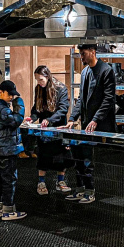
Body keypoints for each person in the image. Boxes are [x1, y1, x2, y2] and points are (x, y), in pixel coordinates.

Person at [62, 43, 117, 204]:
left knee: (88, 159)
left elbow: (109, 99)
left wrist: (95, 119)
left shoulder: (106, 71)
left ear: (93, 52)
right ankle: (80, 189)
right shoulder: (85, 72)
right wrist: (72, 119)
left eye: (83, 53)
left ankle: (90, 191)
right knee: (79, 156)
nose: (81, 56)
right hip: (87, 124)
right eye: (80, 53)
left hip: (100, 125)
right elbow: (81, 100)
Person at [0, 80, 27, 221]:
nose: (12, 97)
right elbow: (15, 121)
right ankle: (8, 210)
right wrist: (20, 106)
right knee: (9, 179)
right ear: (1, 92)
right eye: (10, 94)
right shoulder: (2, 109)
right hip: (6, 149)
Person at [25, 66, 73, 195]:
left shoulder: (61, 88)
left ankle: (61, 181)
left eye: (40, 79)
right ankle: (41, 182)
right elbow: (36, 108)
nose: (39, 82)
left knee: (61, 155)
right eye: (37, 80)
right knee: (43, 154)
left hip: (58, 126)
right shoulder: (39, 89)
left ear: (47, 76)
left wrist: (50, 119)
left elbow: (63, 109)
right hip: (44, 128)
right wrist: (32, 118)